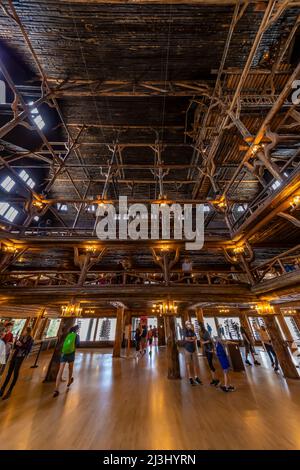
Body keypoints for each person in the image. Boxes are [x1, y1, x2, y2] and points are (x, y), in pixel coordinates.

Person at [0, 327, 34, 400]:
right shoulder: (21, 337)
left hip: (20, 357)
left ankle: (10, 390)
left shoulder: (30, 339)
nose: (23, 331)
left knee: (15, 373)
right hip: (15, 355)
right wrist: (16, 343)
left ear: (28, 331)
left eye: (25, 330)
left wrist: (21, 345)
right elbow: (15, 345)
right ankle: (2, 389)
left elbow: (28, 348)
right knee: (9, 373)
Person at [53, 325, 80, 398]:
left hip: (64, 353)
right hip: (71, 353)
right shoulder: (76, 336)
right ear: (76, 330)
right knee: (70, 368)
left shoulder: (67, 335)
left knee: (60, 371)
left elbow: (63, 344)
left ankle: (56, 389)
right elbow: (78, 345)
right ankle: (69, 382)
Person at [183, 320, 202, 385]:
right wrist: (192, 339)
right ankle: (190, 377)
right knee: (188, 363)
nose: (189, 325)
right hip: (187, 349)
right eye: (188, 324)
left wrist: (191, 339)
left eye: (189, 324)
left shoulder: (192, 330)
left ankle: (196, 377)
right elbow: (186, 339)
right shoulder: (185, 331)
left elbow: (196, 337)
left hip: (193, 349)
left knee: (195, 363)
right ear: (186, 325)